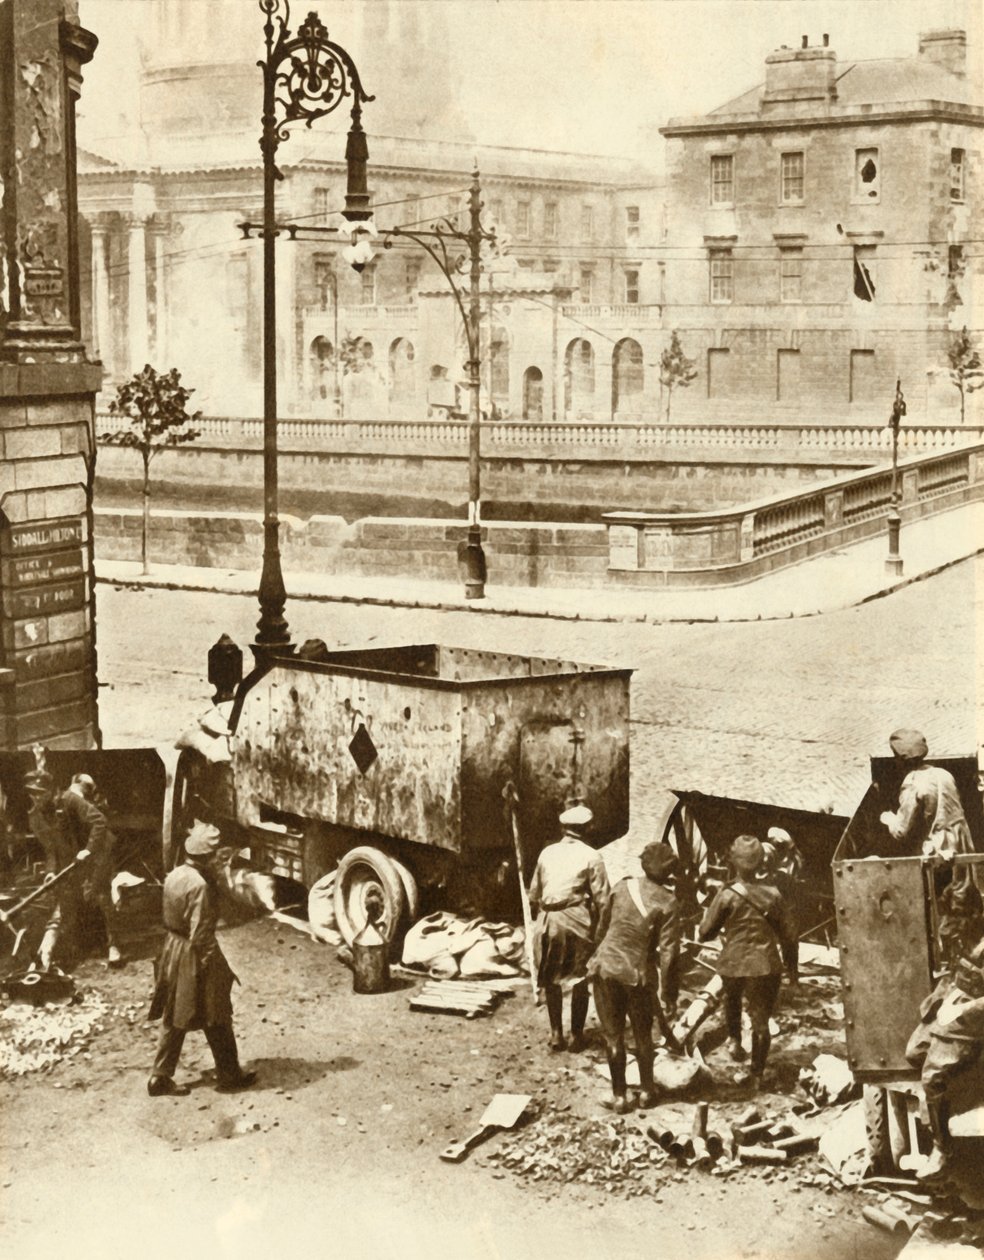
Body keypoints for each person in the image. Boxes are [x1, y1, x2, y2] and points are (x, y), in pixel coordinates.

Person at [147, 820, 257, 1097]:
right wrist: (213, 967)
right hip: (193, 952)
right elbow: (201, 933)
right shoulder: (200, 886)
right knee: (217, 1010)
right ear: (207, 856)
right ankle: (229, 1075)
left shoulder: (175, 875)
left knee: (176, 1013)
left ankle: (159, 1076)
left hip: (172, 947)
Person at [587, 842, 681, 1113]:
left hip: (606, 968)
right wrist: (669, 995)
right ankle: (647, 1092)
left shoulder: (621, 887)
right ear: (669, 871)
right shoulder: (668, 902)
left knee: (613, 1036)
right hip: (637, 975)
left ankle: (619, 1097)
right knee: (642, 1036)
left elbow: (602, 929)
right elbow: (670, 955)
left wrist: (599, 957)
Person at [698, 835, 798, 1086]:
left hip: (733, 963)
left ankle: (734, 1042)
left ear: (733, 862)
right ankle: (757, 1074)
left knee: (732, 1000)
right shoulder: (773, 895)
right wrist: (793, 971)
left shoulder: (727, 894)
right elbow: (790, 936)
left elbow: (705, 932)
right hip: (765, 965)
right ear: (761, 863)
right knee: (761, 1020)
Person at [880, 728, 981, 963]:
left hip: (939, 851)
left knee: (937, 905)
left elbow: (901, 831)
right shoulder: (944, 774)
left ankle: (942, 957)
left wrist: (887, 818)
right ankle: (962, 950)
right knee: (961, 899)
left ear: (900, 758)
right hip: (962, 843)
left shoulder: (912, 783)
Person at [528, 803, 611, 1052]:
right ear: (586, 829)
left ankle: (556, 1034)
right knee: (579, 980)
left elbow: (534, 894)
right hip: (576, 919)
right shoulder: (592, 856)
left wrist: (538, 924)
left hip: (549, 920)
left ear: (565, 828)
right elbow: (603, 900)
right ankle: (576, 1035)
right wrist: (602, 932)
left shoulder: (547, 853)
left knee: (551, 979)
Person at [905, 934, 984, 1182]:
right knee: (914, 1052)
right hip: (961, 992)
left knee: (932, 1077)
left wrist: (963, 1009)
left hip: (976, 1010)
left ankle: (942, 1149)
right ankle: (954, 1093)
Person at [59, 773, 122, 966]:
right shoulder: (67, 799)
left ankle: (114, 947)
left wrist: (88, 850)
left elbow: (99, 821)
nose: (89, 792)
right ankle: (94, 942)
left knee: (101, 895)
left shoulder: (72, 799)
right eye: (88, 788)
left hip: (99, 852)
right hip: (88, 853)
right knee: (88, 895)